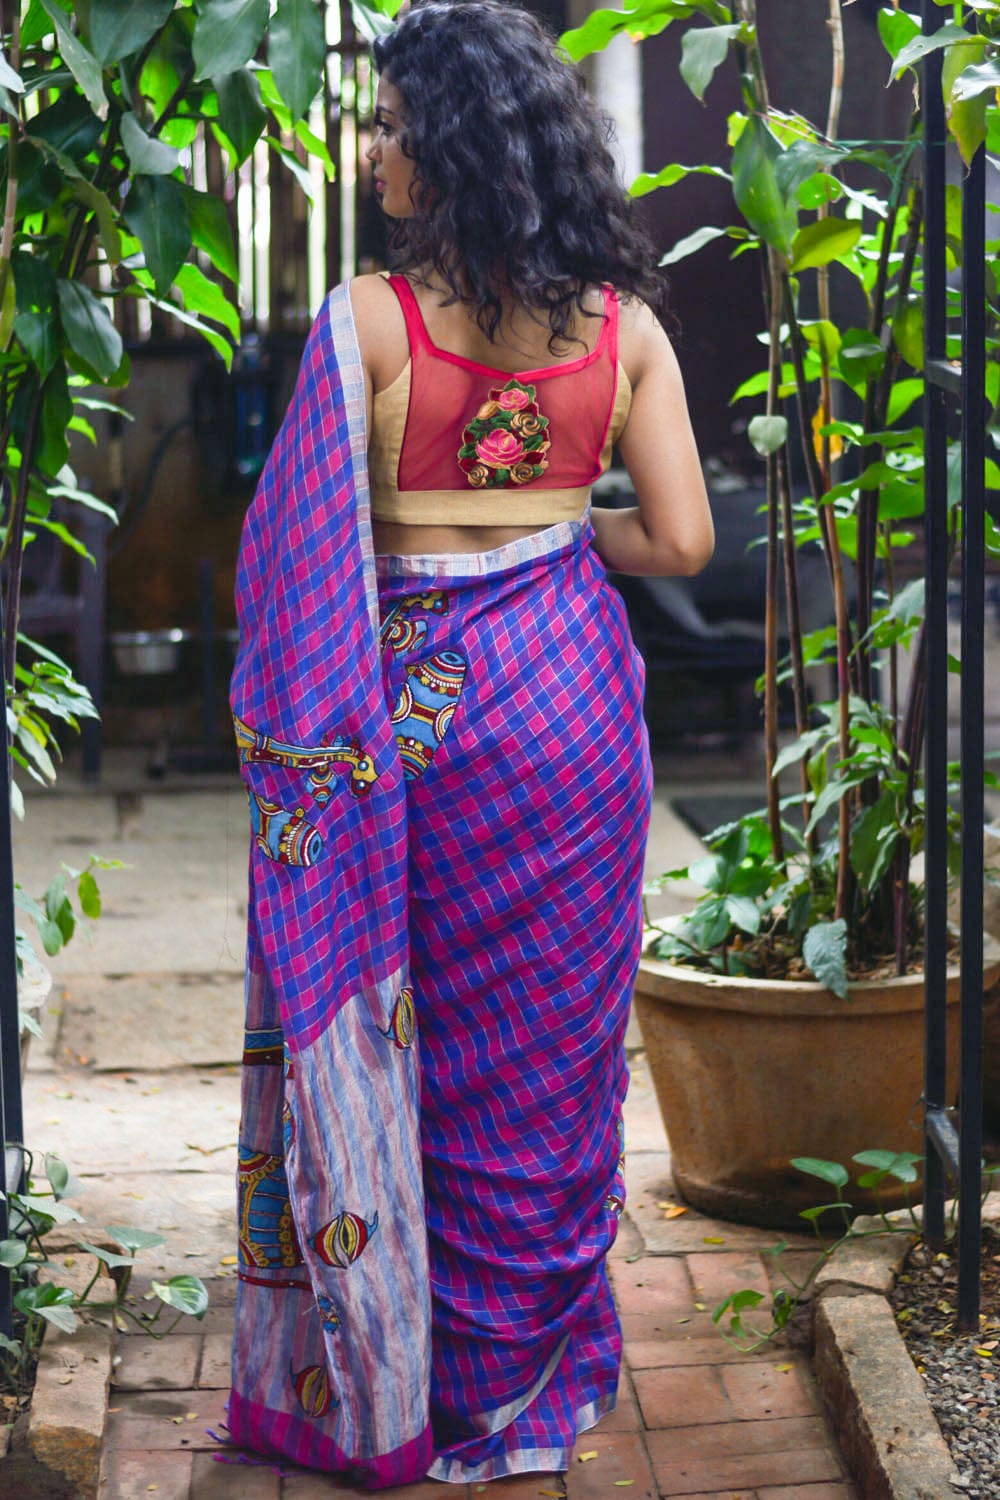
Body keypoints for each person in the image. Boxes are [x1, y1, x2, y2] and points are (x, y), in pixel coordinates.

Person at [226, 1, 713, 1490]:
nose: (371, 147)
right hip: (566, 705)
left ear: (444, 147)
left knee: (401, 1029)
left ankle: (404, 1364)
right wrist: (568, 538)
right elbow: (684, 538)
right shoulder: (625, 330)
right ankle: (528, 1377)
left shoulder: (365, 326)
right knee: (551, 1050)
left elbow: (299, 565)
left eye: (387, 123)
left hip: (409, 725)